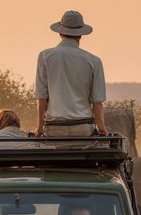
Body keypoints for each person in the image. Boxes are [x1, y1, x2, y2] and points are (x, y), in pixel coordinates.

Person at [34, 10, 108, 138]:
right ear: (81, 35)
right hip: (83, 127)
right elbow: (97, 103)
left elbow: (41, 98)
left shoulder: (45, 56)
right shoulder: (94, 61)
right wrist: (102, 129)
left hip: (54, 128)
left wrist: (40, 128)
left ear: (60, 32)